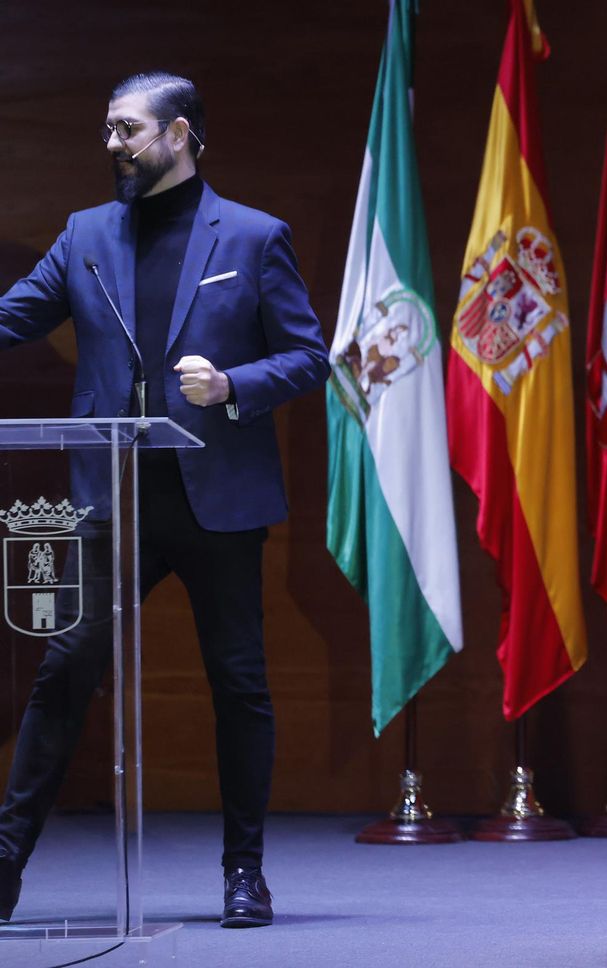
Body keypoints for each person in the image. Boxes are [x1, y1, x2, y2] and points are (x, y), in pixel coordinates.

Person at [0, 71, 329, 928]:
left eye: (127, 129)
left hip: (216, 498)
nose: (112, 144)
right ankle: (3, 862)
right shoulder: (83, 236)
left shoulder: (255, 237)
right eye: (107, 129)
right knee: (65, 671)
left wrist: (230, 383)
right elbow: (15, 315)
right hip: (113, 500)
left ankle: (245, 872)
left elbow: (307, 357)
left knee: (238, 683)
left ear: (179, 134)